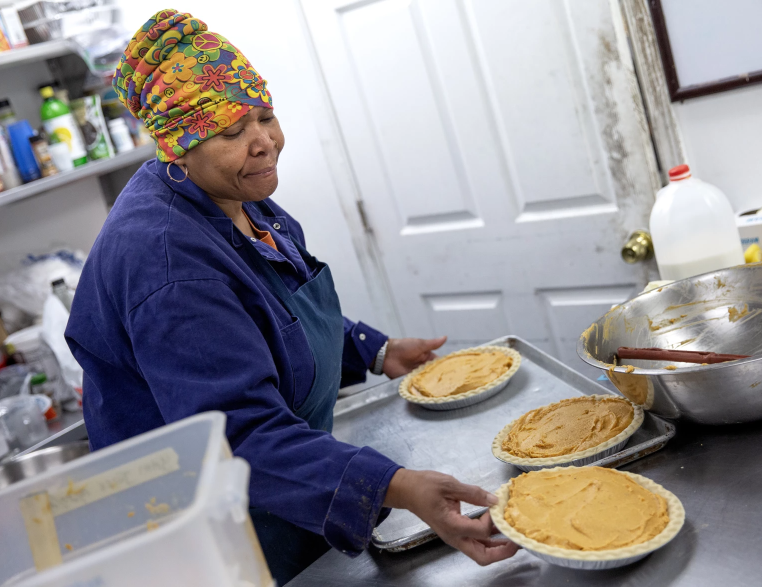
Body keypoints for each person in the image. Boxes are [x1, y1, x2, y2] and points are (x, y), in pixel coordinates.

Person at [65, 10, 517, 585]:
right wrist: (394, 486)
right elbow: (238, 435)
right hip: (214, 530)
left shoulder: (233, 196)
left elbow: (272, 303)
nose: (264, 143)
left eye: (266, 116)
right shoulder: (168, 267)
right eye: (232, 131)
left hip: (282, 488)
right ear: (178, 143)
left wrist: (372, 350)